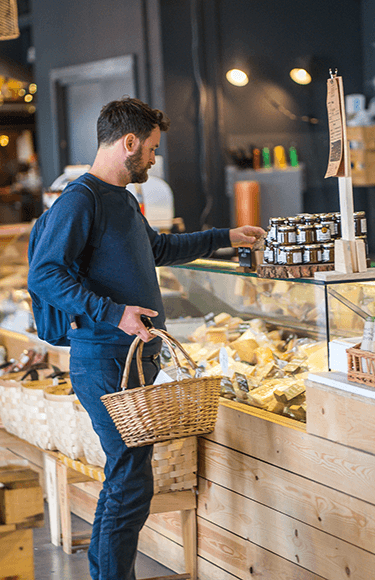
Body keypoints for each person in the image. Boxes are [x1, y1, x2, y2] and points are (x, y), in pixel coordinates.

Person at [28, 96, 264, 580]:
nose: (154, 160)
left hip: (133, 361)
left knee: (128, 479)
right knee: (130, 480)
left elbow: (159, 248)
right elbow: (44, 274)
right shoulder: (81, 199)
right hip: (104, 360)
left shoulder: (124, 200)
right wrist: (114, 313)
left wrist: (228, 235)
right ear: (129, 142)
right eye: (152, 149)